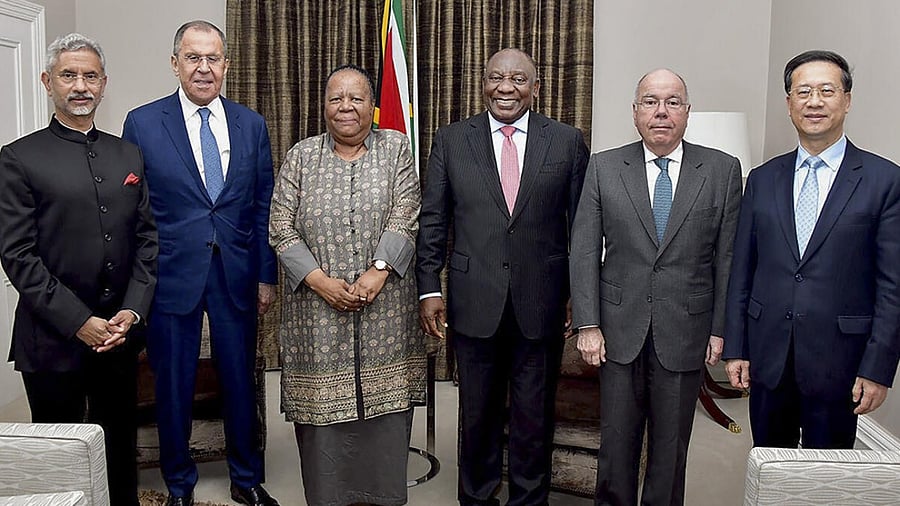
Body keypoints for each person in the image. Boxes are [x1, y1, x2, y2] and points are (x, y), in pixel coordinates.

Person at [417, 48, 589, 506]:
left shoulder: (566, 141)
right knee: (477, 413)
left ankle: (529, 499)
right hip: (474, 299)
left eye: (518, 79)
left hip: (542, 301)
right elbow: (433, 220)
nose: (506, 87)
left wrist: (579, 294)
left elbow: (582, 227)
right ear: (484, 84)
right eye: (496, 77)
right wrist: (429, 287)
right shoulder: (452, 140)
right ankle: (477, 497)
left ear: (536, 87)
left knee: (535, 416)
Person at [121, 20, 278, 506]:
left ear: (226, 65)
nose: (203, 68)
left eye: (212, 58)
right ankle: (179, 485)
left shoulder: (252, 124)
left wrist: (266, 275)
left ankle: (246, 479)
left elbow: (263, 206)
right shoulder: (143, 123)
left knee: (239, 382)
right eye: (193, 57)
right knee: (173, 385)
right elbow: (134, 212)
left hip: (236, 275)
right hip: (171, 276)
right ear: (175, 64)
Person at [569, 69, 742, 505]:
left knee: (670, 449)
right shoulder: (605, 167)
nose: (661, 111)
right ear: (635, 112)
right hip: (618, 330)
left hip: (686, 329)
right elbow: (584, 250)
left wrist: (720, 328)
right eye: (650, 101)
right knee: (617, 446)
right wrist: (588, 324)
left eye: (672, 101)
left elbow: (727, 258)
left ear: (687, 111)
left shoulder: (722, 170)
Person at [0, 33, 157, 506]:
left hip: (119, 336)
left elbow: (147, 241)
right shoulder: (18, 158)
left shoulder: (127, 155)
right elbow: (18, 254)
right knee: (61, 459)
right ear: (47, 81)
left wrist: (132, 311)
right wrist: (79, 322)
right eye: (68, 75)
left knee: (119, 451)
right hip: (51, 340)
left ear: (104, 83)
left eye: (90, 76)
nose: (80, 86)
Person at [723, 50, 900, 450]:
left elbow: (893, 288)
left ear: (847, 100)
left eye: (826, 91)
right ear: (789, 104)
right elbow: (742, 271)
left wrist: (878, 368)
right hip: (768, 357)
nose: (814, 102)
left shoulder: (885, 181)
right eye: (803, 92)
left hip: (840, 361)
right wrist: (737, 348)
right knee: (770, 466)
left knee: (826, 473)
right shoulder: (763, 179)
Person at [269, 64, 425, 506]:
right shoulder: (302, 155)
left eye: (356, 98)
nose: (346, 107)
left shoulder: (395, 149)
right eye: (336, 98)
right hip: (316, 316)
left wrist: (378, 272)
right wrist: (319, 281)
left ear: (372, 105)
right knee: (324, 425)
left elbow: (407, 210)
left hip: (386, 311)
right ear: (323, 106)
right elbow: (280, 225)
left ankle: (383, 496)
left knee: (386, 418)